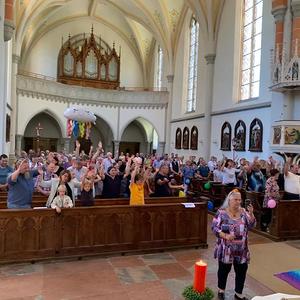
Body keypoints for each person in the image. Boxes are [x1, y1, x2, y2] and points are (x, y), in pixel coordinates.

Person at [212, 189, 256, 300]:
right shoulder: (221, 213)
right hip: (226, 249)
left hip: (242, 250)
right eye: (235, 199)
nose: (238, 202)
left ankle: (238, 293)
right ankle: (221, 291)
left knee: (241, 271)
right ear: (229, 200)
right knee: (223, 270)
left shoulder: (244, 212)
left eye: (239, 200)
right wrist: (225, 236)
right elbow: (214, 228)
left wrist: (251, 214)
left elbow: (251, 225)